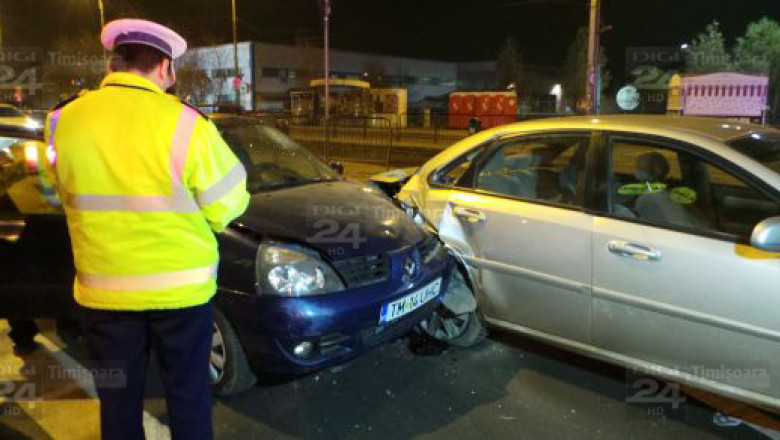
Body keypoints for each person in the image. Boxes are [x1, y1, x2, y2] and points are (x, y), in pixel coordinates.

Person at [44, 19, 250, 440]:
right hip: (182, 294)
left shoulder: (62, 120)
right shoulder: (188, 124)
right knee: (188, 392)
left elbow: (56, 189)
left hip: (105, 293)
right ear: (164, 68)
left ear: (113, 63)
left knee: (118, 397)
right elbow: (228, 205)